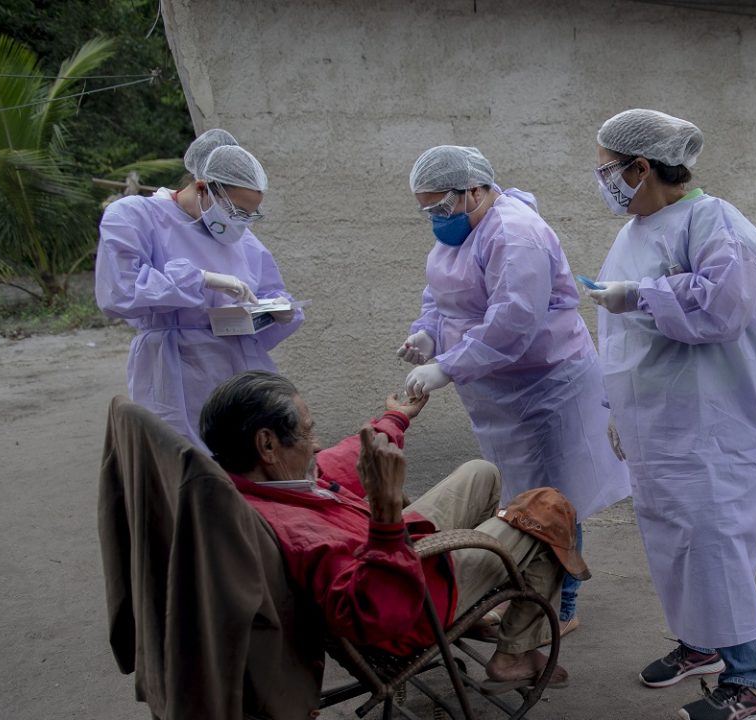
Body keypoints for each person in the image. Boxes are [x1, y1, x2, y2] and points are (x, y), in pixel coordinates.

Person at [587, 108, 756, 720]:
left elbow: (722, 309)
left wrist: (639, 295)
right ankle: (700, 646)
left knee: (713, 541)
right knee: (675, 540)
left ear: (640, 167)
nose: (602, 182)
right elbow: (624, 336)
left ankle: (749, 684)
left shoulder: (716, 223)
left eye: (606, 169)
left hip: (716, 423)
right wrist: (616, 406)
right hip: (660, 423)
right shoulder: (637, 230)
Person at [198, 371, 578, 688]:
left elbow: (341, 460)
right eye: (306, 432)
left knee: (482, 473)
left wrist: (395, 419)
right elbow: (378, 614)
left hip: (397, 554)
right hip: (410, 600)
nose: (316, 444)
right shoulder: (294, 533)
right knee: (549, 508)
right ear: (267, 444)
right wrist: (385, 512)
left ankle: (472, 607)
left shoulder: (258, 486)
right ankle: (514, 655)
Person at [397, 144, 630, 635]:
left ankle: (560, 606)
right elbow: (441, 296)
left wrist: (447, 367)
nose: (436, 218)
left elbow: (514, 321)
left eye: (440, 206)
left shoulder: (516, 234)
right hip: (502, 390)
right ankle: (522, 594)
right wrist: (427, 333)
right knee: (520, 499)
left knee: (555, 501)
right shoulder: (463, 230)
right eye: (427, 210)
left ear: (475, 189)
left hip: (547, 386)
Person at [96, 143, 304, 448]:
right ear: (202, 187)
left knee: (246, 451)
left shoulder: (240, 237)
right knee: (186, 456)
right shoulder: (134, 215)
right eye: (235, 210)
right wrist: (200, 280)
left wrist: (278, 309)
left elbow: (266, 287)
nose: (239, 221)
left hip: (238, 363)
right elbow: (119, 291)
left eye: (248, 214)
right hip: (174, 364)